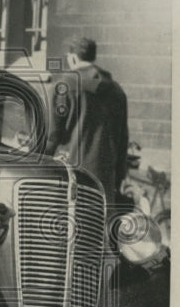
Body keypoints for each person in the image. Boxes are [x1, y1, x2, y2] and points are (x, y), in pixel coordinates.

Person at [46, 36, 129, 206]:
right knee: (98, 228)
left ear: (73, 57)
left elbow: (51, 135)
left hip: (70, 177)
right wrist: (119, 178)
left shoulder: (63, 86)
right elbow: (123, 141)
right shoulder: (117, 91)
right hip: (104, 180)